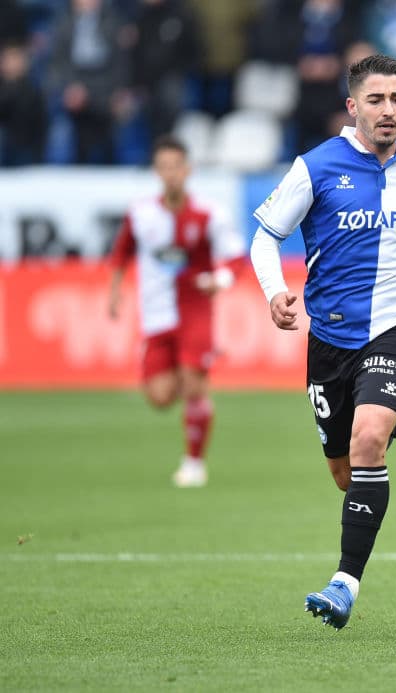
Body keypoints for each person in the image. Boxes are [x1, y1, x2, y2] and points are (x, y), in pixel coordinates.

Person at [249, 54, 396, 630]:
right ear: (352, 106)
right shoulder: (315, 167)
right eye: (376, 101)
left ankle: (344, 583)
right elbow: (265, 239)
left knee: (367, 440)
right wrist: (275, 291)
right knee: (344, 471)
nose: (389, 111)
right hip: (330, 336)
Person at [108, 134, 246, 487]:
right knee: (160, 397)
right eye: (163, 167)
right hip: (155, 315)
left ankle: (194, 463)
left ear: (187, 170)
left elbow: (235, 256)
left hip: (194, 310)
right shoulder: (141, 213)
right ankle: (195, 391)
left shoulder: (208, 214)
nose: (170, 174)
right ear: (156, 170)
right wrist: (114, 293)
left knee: (193, 384)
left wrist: (222, 280)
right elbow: (122, 251)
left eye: (176, 167)